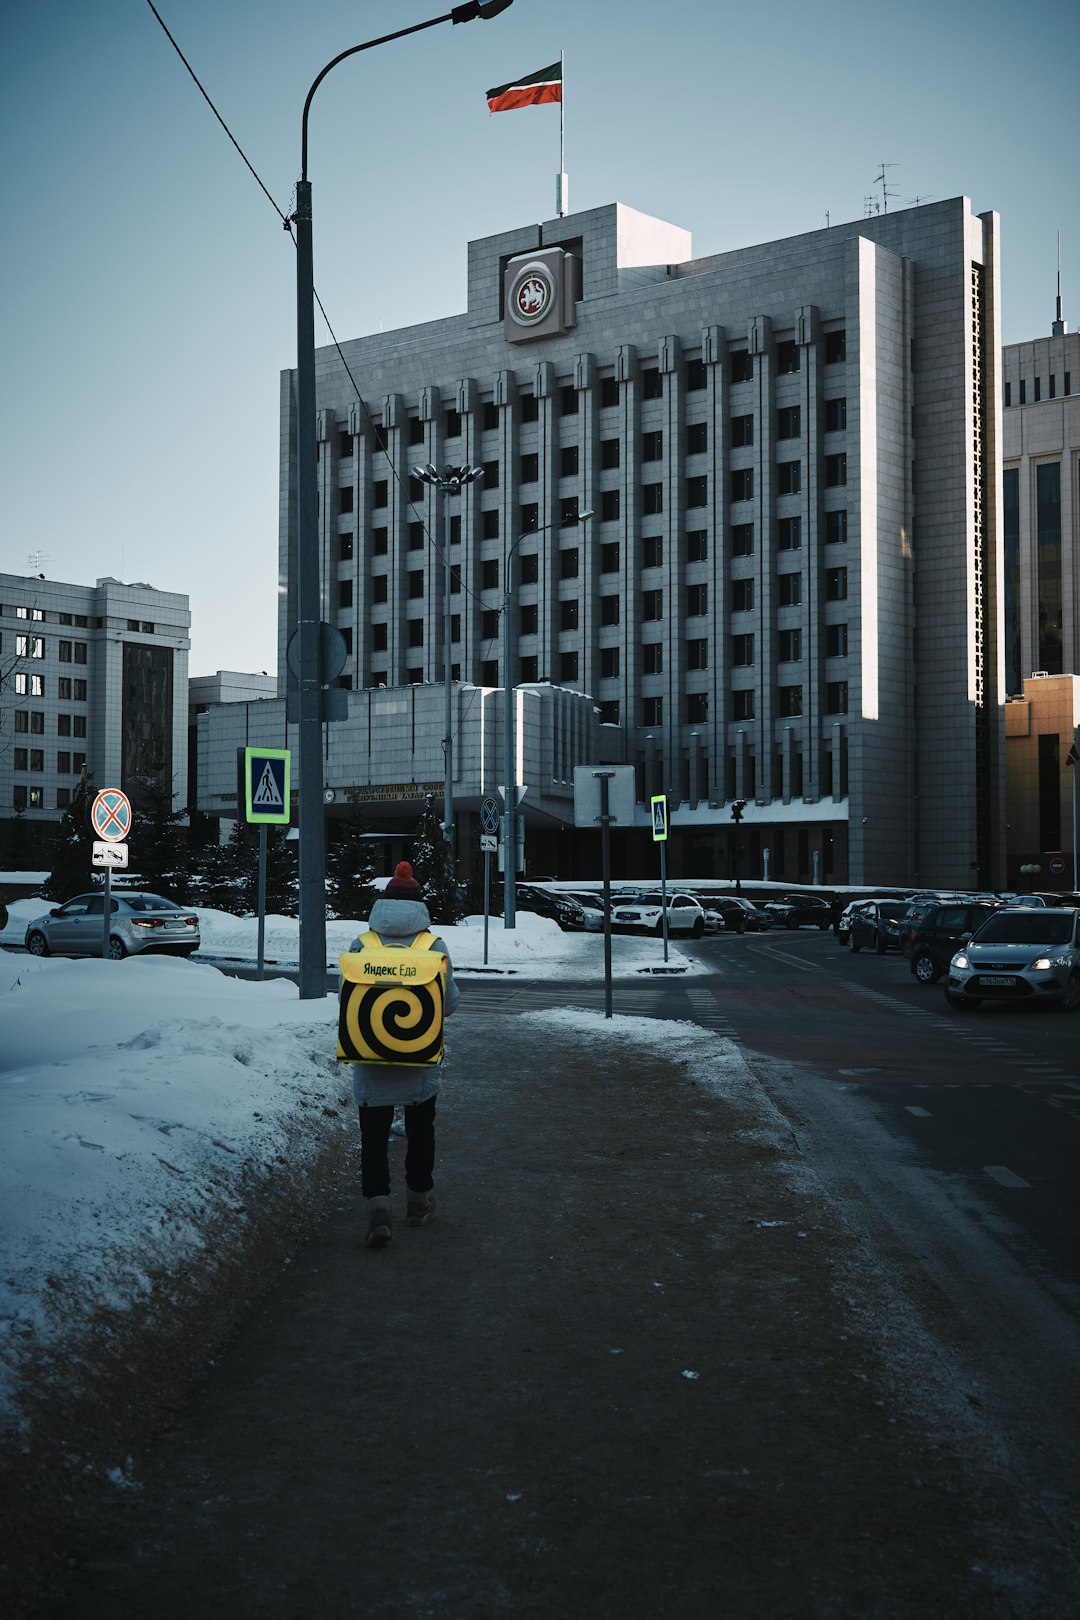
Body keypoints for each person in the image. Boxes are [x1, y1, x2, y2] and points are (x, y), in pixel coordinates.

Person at [345, 861, 460, 1249]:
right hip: (420, 1056)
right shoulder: (433, 945)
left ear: (384, 902)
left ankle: (378, 1208)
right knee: (420, 1131)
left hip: (369, 1053)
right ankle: (418, 1202)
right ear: (419, 903)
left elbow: (348, 999)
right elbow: (448, 1003)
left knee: (373, 1135)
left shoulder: (362, 944)